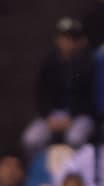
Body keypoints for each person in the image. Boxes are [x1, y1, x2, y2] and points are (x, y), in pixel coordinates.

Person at [23, 16, 97, 153]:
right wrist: (48, 116)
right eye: (64, 38)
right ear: (57, 39)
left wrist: (71, 117)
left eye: (73, 38)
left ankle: (75, 168)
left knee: (75, 139)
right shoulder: (49, 63)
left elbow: (91, 98)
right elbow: (41, 95)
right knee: (31, 139)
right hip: (52, 115)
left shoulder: (89, 64)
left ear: (80, 41)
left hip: (80, 115)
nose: (68, 42)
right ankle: (42, 166)